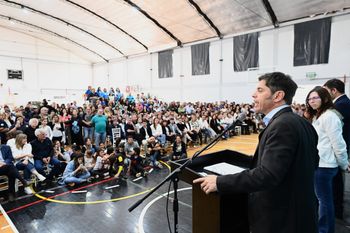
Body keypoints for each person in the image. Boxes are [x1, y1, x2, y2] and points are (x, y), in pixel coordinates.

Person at [194, 72, 319, 233]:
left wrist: (220, 182)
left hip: (283, 219)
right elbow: (312, 162)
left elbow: (268, 175)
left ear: (278, 96)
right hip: (301, 214)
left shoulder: (282, 125)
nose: (253, 94)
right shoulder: (302, 123)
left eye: (260, 90)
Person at [305, 86, 349, 233]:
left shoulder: (329, 116)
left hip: (325, 165)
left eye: (315, 97)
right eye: (310, 98)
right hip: (320, 163)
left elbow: (338, 143)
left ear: (324, 98)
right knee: (323, 200)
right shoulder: (320, 115)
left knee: (324, 201)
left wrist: (344, 163)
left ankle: (325, 230)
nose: (312, 101)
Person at [323, 78, 350, 220]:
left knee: (336, 182)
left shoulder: (340, 105)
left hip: (337, 148)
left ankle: (337, 211)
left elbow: (335, 134)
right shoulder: (343, 103)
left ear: (334, 90)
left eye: (326, 92)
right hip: (341, 146)